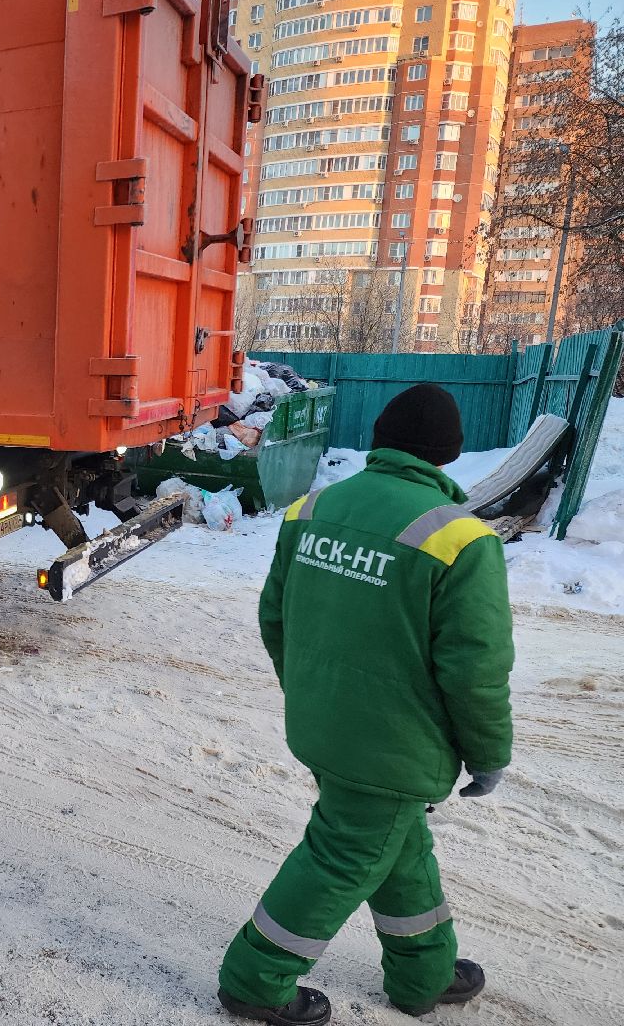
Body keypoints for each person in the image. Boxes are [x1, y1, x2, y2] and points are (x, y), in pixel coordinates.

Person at [217, 383, 515, 1026]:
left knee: (399, 847)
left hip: (327, 727)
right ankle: (255, 979)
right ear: (448, 455)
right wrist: (489, 754)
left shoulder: (314, 508)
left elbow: (276, 617)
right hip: (393, 746)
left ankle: (424, 975)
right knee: (343, 856)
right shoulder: (462, 539)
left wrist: (312, 693)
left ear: (381, 442)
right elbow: (475, 670)